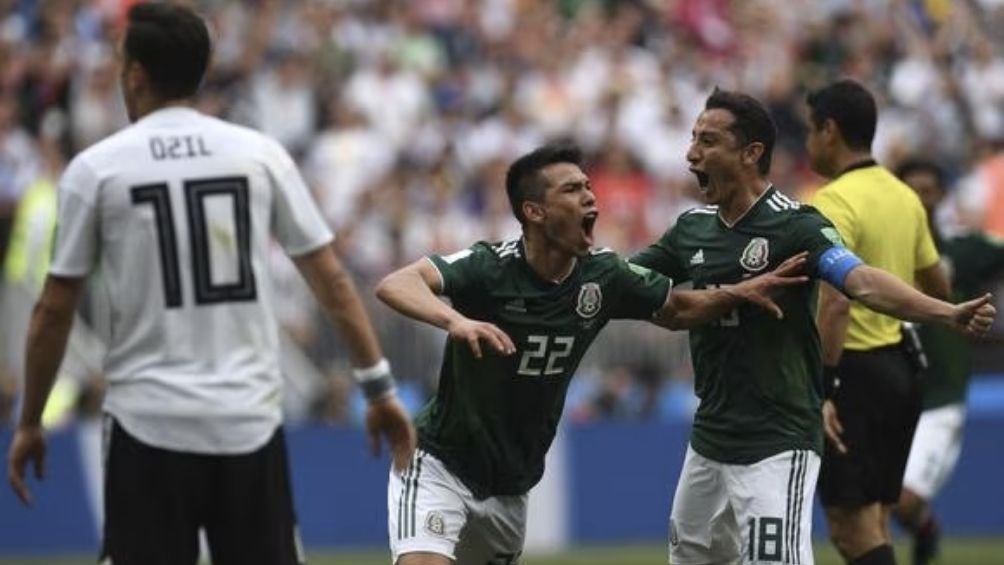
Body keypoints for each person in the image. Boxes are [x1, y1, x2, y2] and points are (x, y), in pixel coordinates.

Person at [5, 5, 415, 565]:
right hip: (246, 423)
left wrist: (30, 421)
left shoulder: (96, 169)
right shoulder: (258, 155)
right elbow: (334, 282)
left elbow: (53, 308)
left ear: (135, 75)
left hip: (146, 426)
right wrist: (380, 390)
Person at [375, 142, 812, 565]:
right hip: (439, 462)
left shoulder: (603, 275)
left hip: (511, 484)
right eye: (571, 189)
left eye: (588, 186)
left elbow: (676, 310)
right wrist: (456, 321)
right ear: (534, 212)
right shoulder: (489, 267)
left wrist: (739, 292)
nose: (589, 195)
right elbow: (396, 283)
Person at [630, 88, 995, 565]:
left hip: (778, 439)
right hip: (710, 440)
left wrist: (945, 312)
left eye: (708, 140)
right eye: (693, 138)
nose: (691, 152)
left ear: (751, 153)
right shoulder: (690, 229)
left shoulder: (798, 226)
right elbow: (629, 282)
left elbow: (859, 281)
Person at [806, 79, 957, 565]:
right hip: (900, 372)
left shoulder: (832, 202)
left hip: (851, 374)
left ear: (828, 131)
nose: (809, 142)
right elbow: (938, 287)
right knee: (874, 520)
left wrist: (824, 386)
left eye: (811, 130)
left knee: (851, 530)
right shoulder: (903, 196)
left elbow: (836, 301)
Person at [892, 159, 1004, 565]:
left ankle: (926, 531)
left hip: (941, 396)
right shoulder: (881, 248)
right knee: (879, 501)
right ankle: (921, 528)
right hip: (889, 391)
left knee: (905, 501)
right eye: (912, 188)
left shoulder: (962, 249)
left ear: (941, 195)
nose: (921, 198)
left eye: (929, 189)